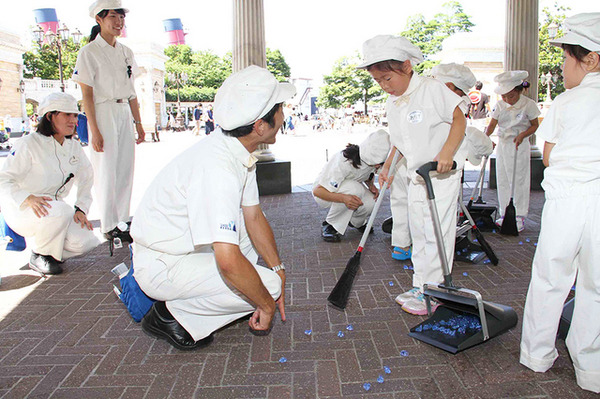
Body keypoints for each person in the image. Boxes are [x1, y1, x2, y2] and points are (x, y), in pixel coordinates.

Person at [130, 66, 295, 350]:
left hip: (184, 249)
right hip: (164, 265)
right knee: (266, 287)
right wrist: (266, 304)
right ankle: (172, 316)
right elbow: (229, 261)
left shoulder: (234, 148)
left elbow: (253, 215)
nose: (284, 114)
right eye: (280, 108)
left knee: (254, 255)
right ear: (260, 126)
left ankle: (211, 297)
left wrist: (277, 267)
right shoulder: (219, 168)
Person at [520, 13, 600, 394]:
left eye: (567, 59)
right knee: (596, 285)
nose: (563, 68)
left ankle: (536, 354)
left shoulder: (568, 101)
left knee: (552, 275)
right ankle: (591, 367)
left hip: (568, 198)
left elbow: (549, 156)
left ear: (592, 60)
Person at [358, 35, 466, 315]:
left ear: (406, 67)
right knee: (419, 230)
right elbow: (399, 141)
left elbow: (459, 118)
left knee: (436, 232)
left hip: (440, 175)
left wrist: (448, 152)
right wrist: (387, 167)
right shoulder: (394, 103)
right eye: (378, 81)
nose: (383, 86)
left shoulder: (432, 89)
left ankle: (438, 288)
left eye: (387, 78)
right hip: (416, 175)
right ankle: (422, 284)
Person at [0, 92, 100, 275]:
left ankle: (50, 251)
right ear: (49, 116)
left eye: (75, 115)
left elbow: (86, 177)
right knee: (62, 211)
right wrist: (28, 198)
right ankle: (39, 255)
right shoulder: (28, 144)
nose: (73, 120)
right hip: (22, 208)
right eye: (67, 114)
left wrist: (81, 209)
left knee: (88, 242)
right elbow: (4, 179)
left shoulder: (74, 147)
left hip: (54, 211)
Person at [72, 0, 145, 243]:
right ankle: (108, 222)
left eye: (121, 17)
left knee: (125, 168)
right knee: (106, 169)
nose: (119, 22)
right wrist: (94, 130)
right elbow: (87, 95)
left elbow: (132, 91)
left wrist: (139, 123)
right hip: (103, 112)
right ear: (99, 19)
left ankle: (122, 219)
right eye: (113, 16)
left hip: (123, 110)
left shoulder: (126, 52)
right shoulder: (89, 52)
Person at [485, 71, 540, 232]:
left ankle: (519, 214)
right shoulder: (500, 105)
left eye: (511, 96)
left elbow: (535, 125)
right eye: (504, 96)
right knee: (503, 177)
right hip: (504, 144)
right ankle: (504, 213)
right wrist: (484, 138)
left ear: (519, 91)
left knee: (519, 179)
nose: (508, 100)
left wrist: (523, 134)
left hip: (519, 144)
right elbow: (492, 125)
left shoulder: (529, 104)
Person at [313, 129, 390, 242]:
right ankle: (331, 225)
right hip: (324, 193)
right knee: (354, 189)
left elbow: (368, 173)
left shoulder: (371, 161)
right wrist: (344, 198)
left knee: (372, 201)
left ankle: (355, 222)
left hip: (349, 188)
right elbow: (317, 191)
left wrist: (371, 185)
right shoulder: (342, 161)